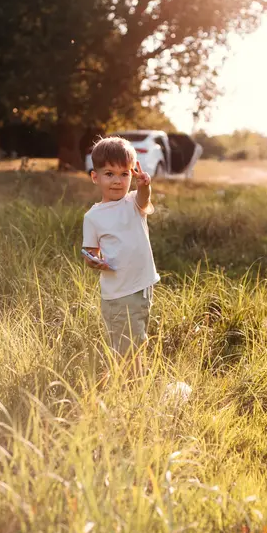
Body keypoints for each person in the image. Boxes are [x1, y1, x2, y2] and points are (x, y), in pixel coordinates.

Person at [82, 136, 160, 379]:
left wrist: (145, 184)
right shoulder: (93, 217)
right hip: (119, 293)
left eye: (124, 174)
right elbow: (90, 252)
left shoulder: (132, 203)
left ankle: (131, 381)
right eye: (109, 174)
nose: (117, 181)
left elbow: (144, 198)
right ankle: (127, 384)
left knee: (137, 338)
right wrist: (94, 260)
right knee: (127, 345)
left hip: (143, 286)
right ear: (96, 177)